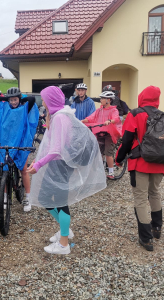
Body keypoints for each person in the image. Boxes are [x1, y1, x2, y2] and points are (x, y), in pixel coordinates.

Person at [27, 86, 106, 255]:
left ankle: (63, 244)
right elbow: (50, 144)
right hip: (57, 164)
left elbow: (56, 150)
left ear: (51, 101)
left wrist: (39, 164)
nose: (43, 103)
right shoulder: (58, 115)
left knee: (60, 202)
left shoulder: (60, 118)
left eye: (45, 100)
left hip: (60, 165)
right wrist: (38, 159)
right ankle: (65, 230)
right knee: (45, 198)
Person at [116, 86, 164, 251]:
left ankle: (146, 239)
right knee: (154, 193)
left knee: (140, 198)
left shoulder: (135, 114)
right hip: (160, 162)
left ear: (142, 97)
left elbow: (126, 140)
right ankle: (157, 229)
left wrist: (119, 159)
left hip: (140, 163)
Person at [0, 87, 39, 212]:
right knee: (4, 170)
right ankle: (5, 197)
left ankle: (28, 197)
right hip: (6, 142)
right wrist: (5, 98)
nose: (13, 102)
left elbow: (32, 99)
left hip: (21, 143)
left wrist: (22, 98)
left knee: (23, 169)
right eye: (10, 100)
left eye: (15, 99)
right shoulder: (3, 108)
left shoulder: (24, 108)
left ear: (19, 99)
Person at [82, 91, 122, 179]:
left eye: (102, 98)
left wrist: (110, 121)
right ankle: (98, 171)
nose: (101, 100)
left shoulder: (113, 110)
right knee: (98, 153)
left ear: (108, 100)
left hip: (109, 134)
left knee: (108, 153)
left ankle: (111, 172)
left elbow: (116, 118)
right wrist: (84, 120)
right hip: (100, 133)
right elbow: (91, 117)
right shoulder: (99, 110)